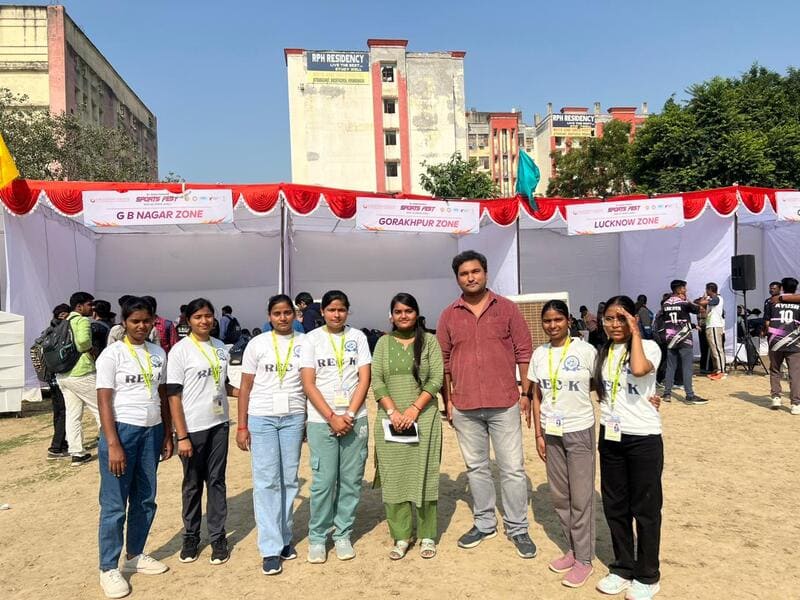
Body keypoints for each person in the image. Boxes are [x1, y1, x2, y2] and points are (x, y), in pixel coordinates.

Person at [436, 250, 537, 559]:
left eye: (475, 271)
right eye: (464, 273)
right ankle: (484, 523)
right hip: (465, 406)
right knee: (476, 468)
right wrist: (448, 400)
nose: (471, 277)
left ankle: (517, 527)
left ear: (485, 273)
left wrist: (525, 393)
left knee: (512, 468)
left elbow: (524, 351)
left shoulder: (506, 309)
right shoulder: (449, 315)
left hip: (504, 401)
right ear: (457, 278)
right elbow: (443, 362)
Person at [95, 296, 173, 599]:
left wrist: (167, 434)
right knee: (115, 504)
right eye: (135, 321)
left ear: (154, 321)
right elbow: (104, 401)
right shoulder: (112, 355)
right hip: (122, 431)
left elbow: (162, 395)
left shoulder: (158, 353)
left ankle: (135, 555)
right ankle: (108, 567)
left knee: (145, 499)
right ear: (124, 322)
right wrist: (113, 442)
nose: (141, 326)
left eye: (146, 321)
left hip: (152, 431)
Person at [594, 295, 664, 600]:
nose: (615, 324)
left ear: (633, 319)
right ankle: (623, 567)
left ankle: (647, 575)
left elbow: (638, 369)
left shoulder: (649, 347)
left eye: (622, 318)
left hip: (643, 437)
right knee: (615, 506)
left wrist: (636, 332)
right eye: (609, 318)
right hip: (610, 436)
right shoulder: (603, 352)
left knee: (645, 508)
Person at [236, 295, 307, 576]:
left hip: (293, 417)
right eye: (277, 313)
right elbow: (245, 386)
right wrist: (242, 426)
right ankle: (269, 548)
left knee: (289, 480)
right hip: (262, 417)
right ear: (269, 316)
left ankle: (285, 537)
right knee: (266, 481)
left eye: (287, 312)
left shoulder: (305, 343)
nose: (283, 318)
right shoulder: (257, 344)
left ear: (295, 315)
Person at [299, 290, 371, 563]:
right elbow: (308, 383)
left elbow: (364, 378)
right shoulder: (311, 339)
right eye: (331, 309)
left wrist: (349, 413)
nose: (336, 314)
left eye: (341, 309)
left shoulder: (358, 337)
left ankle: (343, 533)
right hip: (322, 421)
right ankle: (318, 537)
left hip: (355, 418)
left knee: (351, 480)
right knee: (324, 482)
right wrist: (331, 417)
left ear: (347, 311)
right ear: (322, 312)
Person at [529, 300, 597, 588]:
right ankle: (573, 549)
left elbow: (599, 385)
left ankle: (585, 559)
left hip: (579, 430)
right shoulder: (539, 354)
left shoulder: (586, 351)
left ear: (568, 321)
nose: (553, 325)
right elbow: (536, 396)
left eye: (558, 319)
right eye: (547, 321)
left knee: (581, 497)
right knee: (560, 496)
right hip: (551, 432)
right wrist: (538, 434)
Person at [372, 293, 444, 560]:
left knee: (424, 475)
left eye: (408, 311)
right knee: (395, 477)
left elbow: (436, 378)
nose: (403, 316)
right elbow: (377, 380)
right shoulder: (383, 343)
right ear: (391, 315)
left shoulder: (430, 342)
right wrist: (393, 412)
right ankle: (401, 536)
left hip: (424, 418)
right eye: (398, 311)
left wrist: (414, 410)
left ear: (416, 313)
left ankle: (427, 535)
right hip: (390, 419)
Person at [167, 298, 232, 566]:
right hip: (192, 428)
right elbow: (173, 395)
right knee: (192, 484)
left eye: (208, 316)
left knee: (216, 481)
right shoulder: (179, 351)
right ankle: (191, 536)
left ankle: (218, 537)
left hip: (219, 424)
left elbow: (224, 384)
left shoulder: (220, 347)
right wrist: (181, 436)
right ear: (188, 321)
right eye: (198, 317)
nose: (204, 321)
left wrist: (251, 391)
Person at [58, 291, 102, 466]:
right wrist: (91, 349)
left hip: (63, 374)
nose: (92, 308)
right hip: (82, 372)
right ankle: (109, 445)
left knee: (73, 415)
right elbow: (83, 342)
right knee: (101, 408)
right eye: (89, 304)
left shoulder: (64, 321)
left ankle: (77, 452)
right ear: (79, 307)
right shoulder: (82, 320)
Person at [660, 280, 706, 405]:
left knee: (671, 367)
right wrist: (689, 300)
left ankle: (667, 394)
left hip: (670, 338)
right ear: (679, 289)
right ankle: (689, 395)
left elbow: (664, 319)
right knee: (687, 367)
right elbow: (699, 309)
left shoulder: (665, 304)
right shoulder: (684, 303)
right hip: (684, 338)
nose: (686, 290)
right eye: (684, 288)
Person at [765, 277, 800, 413]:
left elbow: (767, 322)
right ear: (795, 288)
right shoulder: (798, 303)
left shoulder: (771, 301)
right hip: (794, 342)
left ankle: (776, 397)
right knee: (795, 373)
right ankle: (795, 404)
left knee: (775, 370)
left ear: (782, 288)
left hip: (775, 341)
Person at [46, 303, 71, 460]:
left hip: (51, 378)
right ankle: (56, 447)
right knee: (64, 412)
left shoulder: (48, 331)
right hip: (62, 376)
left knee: (59, 412)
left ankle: (61, 443)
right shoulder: (63, 332)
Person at [698, 283, 726, 380]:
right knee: (713, 349)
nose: (706, 291)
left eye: (707, 289)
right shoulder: (712, 299)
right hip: (710, 325)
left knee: (717, 349)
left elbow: (702, 303)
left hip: (715, 326)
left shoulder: (717, 298)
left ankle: (721, 371)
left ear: (710, 289)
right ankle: (717, 370)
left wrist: (704, 298)